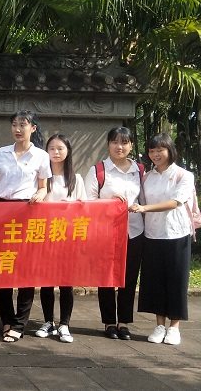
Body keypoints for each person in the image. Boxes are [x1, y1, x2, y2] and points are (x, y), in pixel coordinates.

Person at [0, 110, 50, 343]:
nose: (17, 129)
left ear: (33, 128)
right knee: (3, 267)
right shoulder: (1, 153)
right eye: (14, 124)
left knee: (26, 268)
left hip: (27, 212)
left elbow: (43, 186)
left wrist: (40, 194)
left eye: (22, 125)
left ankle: (20, 323)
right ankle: (6, 319)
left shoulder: (41, 156)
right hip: (2, 211)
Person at [129, 134, 194, 345]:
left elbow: (175, 202)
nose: (156, 154)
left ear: (169, 150)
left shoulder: (183, 175)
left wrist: (144, 208)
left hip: (177, 234)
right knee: (155, 281)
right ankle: (159, 325)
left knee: (176, 280)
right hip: (152, 234)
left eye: (160, 150)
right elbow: (137, 200)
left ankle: (174, 327)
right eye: (152, 150)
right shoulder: (147, 177)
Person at [84, 127, 144, 341]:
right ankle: (109, 321)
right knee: (107, 277)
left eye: (125, 142)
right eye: (115, 142)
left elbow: (145, 199)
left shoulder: (140, 170)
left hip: (134, 231)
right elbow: (87, 202)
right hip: (106, 233)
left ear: (131, 145)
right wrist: (109, 203)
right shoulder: (98, 170)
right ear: (108, 144)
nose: (120, 147)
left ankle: (124, 322)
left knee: (129, 278)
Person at [35, 134, 86, 343]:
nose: (56, 152)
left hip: (67, 237)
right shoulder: (40, 178)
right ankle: (48, 321)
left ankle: (64, 324)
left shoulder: (76, 179)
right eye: (52, 148)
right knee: (46, 281)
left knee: (66, 283)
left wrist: (70, 207)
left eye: (60, 148)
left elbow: (84, 207)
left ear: (68, 151)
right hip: (44, 236)